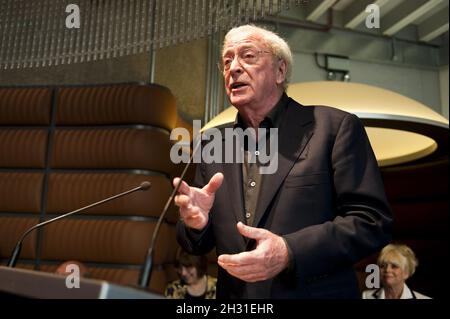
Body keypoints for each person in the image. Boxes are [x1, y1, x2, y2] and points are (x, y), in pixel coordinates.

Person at [174, 24, 392, 298]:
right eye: (227, 61)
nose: (234, 68)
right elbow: (195, 245)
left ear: (280, 71)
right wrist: (196, 223)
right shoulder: (213, 143)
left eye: (248, 56)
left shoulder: (333, 128)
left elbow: (372, 221)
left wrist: (289, 251)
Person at [363, 244, 431, 299]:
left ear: (406, 273)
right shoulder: (366, 296)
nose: (387, 270)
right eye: (383, 266)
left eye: (394, 266)